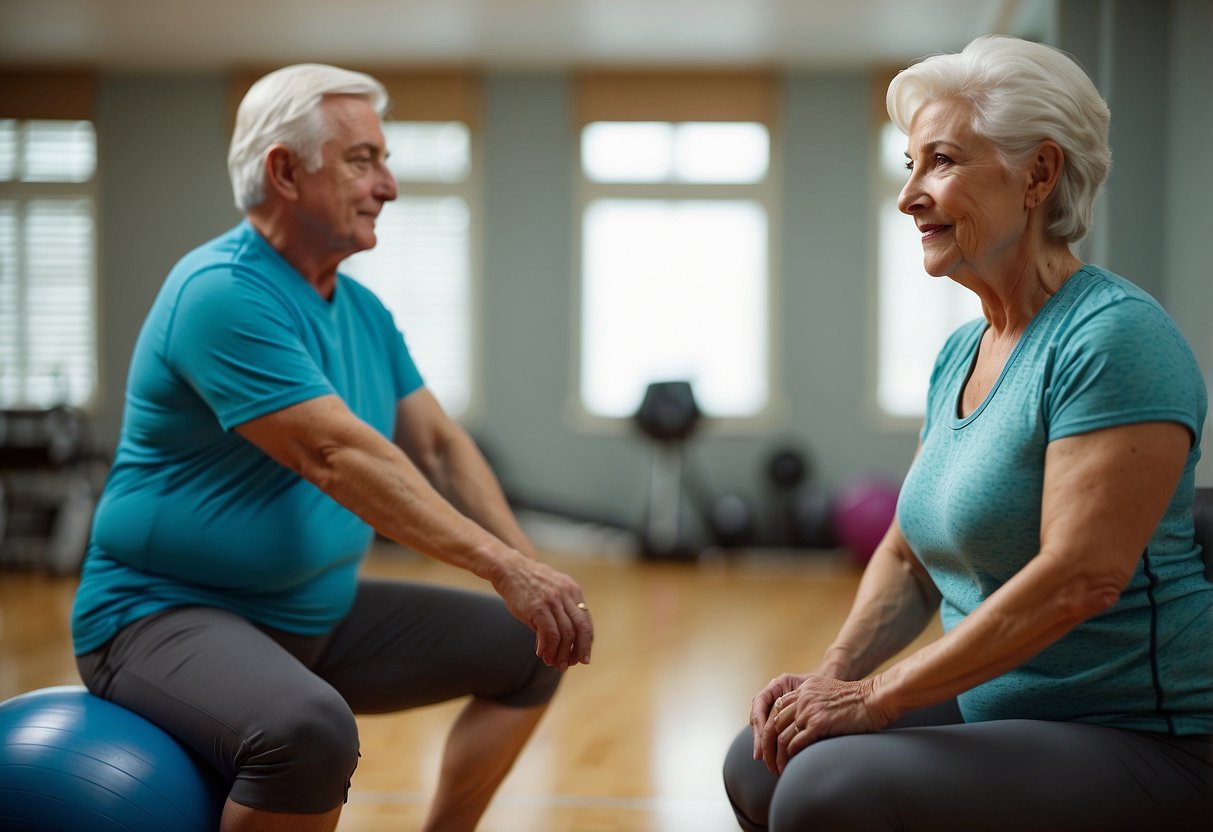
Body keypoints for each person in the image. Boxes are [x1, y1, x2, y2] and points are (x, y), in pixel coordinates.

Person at [71, 63, 594, 832]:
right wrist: (503, 568)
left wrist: (532, 575)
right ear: (284, 171)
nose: (388, 184)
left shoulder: (363, 312)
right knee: (309, 732)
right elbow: (334, 456)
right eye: (363, 160)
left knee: (527, 651)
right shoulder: (221, 293)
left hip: (311, 613)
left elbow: (442, 447)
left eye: (383, 160)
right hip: (159, 615)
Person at [722, 35, 1212, 831]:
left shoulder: (1113, 339)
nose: (909, 194)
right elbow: (907, 551)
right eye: (909, 164)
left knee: (823, 790)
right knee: (763, 760)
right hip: (999, 707)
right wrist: (833, 678)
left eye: (940, 161)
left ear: (1038, 175)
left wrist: (877, 698)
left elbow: (1079, 578)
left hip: (1141, 733)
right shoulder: (962, 351)